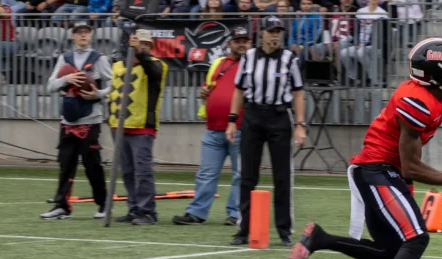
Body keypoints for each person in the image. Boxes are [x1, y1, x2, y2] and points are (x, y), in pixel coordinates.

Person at [287, 38, 442, 259]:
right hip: (375, 170)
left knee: (391, 253)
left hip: (387, 172)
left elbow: (412, 155)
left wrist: (408, 184)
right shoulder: (416, 100)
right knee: (416, 238)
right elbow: (409, 164)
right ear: (432, 74)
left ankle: (320, 239)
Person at [227, 15, 307, 246]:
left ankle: (284, 230)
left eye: (278, 31)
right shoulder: (249, 57)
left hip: (279, 117)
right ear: (261, 33)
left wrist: (300, 125)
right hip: (252, 116)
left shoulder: (289, 59)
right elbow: (239, 90)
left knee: (282, 177)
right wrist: (232, 120)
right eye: (271, 31)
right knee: (247, 175)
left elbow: (298, 93)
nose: (275, 35)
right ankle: (244, 229)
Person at [173, 27, 252, 226]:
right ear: (229, 44)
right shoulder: (218, 63)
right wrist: (205, 93)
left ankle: (236, 215)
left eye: (245, 40)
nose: (242, 44)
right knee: (206, 173)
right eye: (237, 41)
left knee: (240, 175)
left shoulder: (254, 64)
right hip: (213, 128)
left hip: (242, 127)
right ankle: (197, 213)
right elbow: (209, 87)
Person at [39, 21, 113, 219]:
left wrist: (99, 94)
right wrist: (66, 80)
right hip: (68, 119)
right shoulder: (65, 58)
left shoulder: (99, 59)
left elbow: (115, 84)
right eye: (79, 32)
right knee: (65, 164)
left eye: (86, 32)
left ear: (91, 35)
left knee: (92, 164)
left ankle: (104, 205)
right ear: (72, 36)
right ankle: (61, 205)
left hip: (91, 118)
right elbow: (50, 86)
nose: (82, 36)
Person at [109, 29, 169, 225]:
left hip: (143, 126)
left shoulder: (157, 65)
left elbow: (154, 72)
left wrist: (141, 54)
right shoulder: (118, 65)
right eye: (137, 43)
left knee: (142, 171)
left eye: (144, 44)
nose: (140, 46)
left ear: (150, 47)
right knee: (127, 171)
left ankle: (148, 211)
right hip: (119, 126)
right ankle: (134, 208)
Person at [341, 0, 388, 85]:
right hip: (359, 44)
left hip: (374, 45)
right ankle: (353, 77)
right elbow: (356, 30)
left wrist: (366, 44)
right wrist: (357, 43)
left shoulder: (383, 14)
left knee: (361, 52)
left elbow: (382, 35)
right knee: (344, 53)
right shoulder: (360, 12)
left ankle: (374, 78)